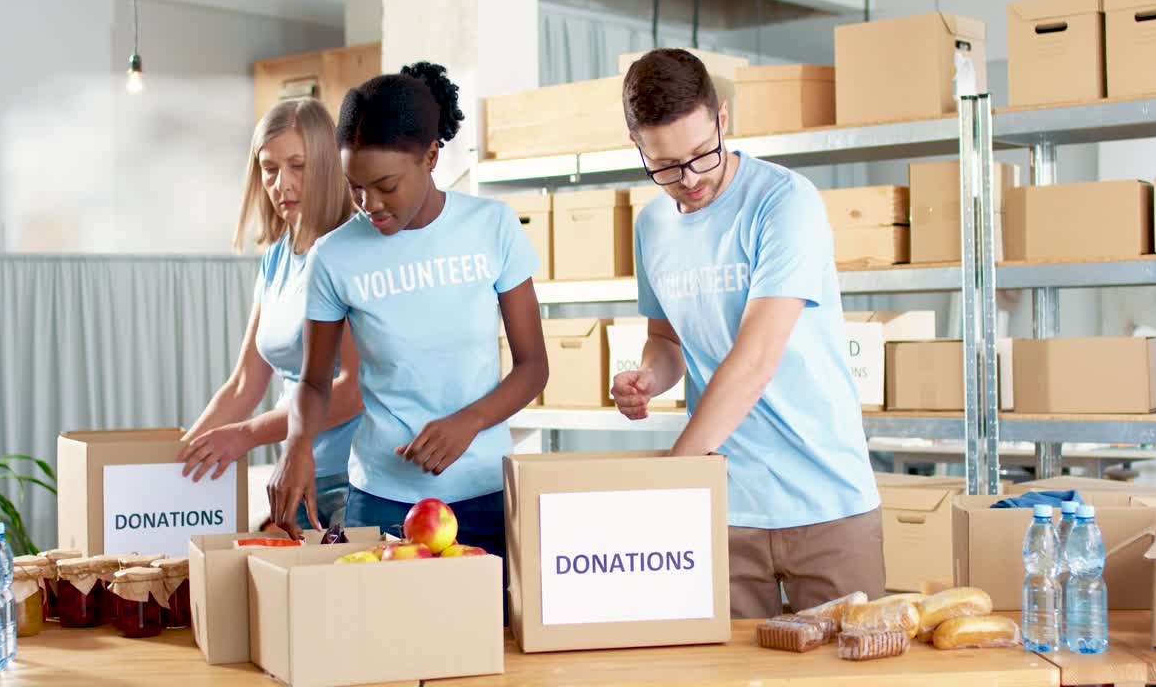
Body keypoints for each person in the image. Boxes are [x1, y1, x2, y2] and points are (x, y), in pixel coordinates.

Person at [611, 49, 883, 618]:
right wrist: (647, 378)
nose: (689, 180)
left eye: (701, 154)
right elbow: (667, 340)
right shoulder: (651, 227)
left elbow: (757, 355)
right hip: (723, 503)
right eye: (664, 165)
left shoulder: (784, 203)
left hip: (825, 497)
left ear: (723, 119)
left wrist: (672, 475)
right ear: (637, 146)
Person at [267, 62, 548, 560]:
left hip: (484, 495)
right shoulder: (333, 256)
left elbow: (533, 368)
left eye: (386, 185)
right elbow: (313, 383)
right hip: (379, 502)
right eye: (355, 186)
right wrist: (297, 442)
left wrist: (469, 422)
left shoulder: (493, 227)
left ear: (431, 156)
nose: (368, 203)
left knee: (488, 638)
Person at [179, 98, 364, 531]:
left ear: (326, 164)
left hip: (354, 480)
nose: (282, 183)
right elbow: (245, 383)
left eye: (297, 165)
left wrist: (246, 435)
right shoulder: (276, 259)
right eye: (270, 168)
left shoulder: (354, 249)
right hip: (296, 476)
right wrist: (182, 457)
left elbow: (353, 389)